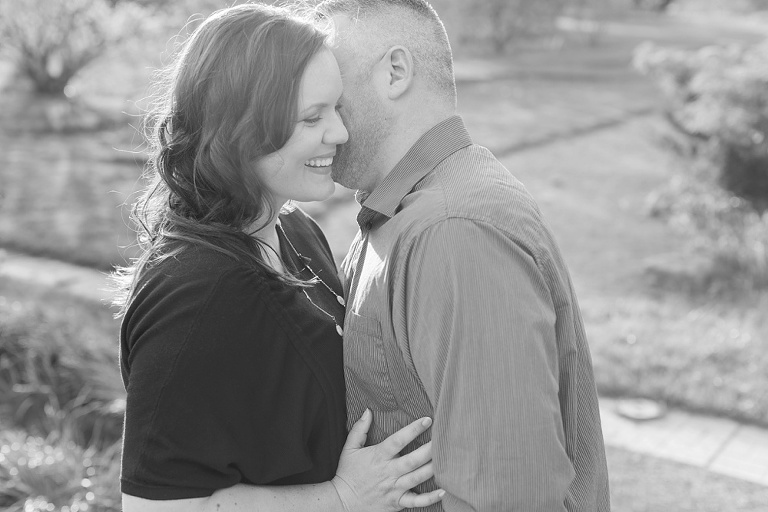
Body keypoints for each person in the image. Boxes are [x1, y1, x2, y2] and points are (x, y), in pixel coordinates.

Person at [113, 4, 445, 511]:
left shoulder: (295, 231)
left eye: (337, 108)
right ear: (240, 126)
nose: (339, 133)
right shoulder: (195, 292)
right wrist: (341, 496)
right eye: (312, 117)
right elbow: (158, 507)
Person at [314, 0, 611, 510]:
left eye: (330, 90)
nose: (320, 116)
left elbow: (509, 498)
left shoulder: (454, 234)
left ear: (396, 71)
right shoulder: (399, 211)